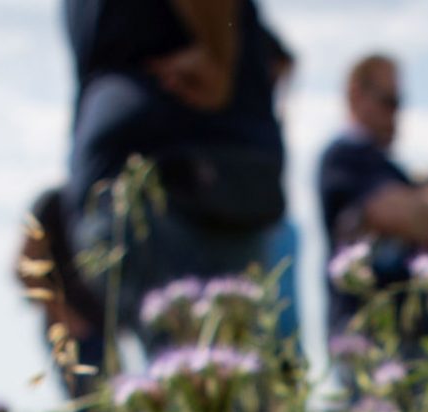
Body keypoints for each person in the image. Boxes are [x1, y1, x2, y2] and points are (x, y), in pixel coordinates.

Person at [63, 0, 286, 359]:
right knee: (218, 385)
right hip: (186, 171)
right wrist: (219, 58)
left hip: (114, 169)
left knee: (180, 372)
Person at [317, 54, 428, 373]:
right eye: (388, 101)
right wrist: (424, 206)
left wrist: (422, 211)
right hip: (364, 335)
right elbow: (401, 215)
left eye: (400, 102)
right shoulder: (345, 156)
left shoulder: (391, 169)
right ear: (355, 95)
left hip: (413, 331)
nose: (396, 113)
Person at [17, 186, 106, 412]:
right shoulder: (54, 202)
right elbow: (23, 269)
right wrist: (68, 318)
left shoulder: (106, 199)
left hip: (106, 332)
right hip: (69, 334)